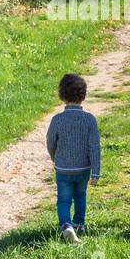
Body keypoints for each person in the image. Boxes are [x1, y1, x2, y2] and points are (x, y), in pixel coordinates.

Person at [45, 73, 101, 243]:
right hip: (83, 168)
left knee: (63, 199)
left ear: (61, 94)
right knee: (80, 196)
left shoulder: (57, 120)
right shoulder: (90, 120)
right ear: (83, 95)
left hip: (63, 168)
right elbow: (94, 147)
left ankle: (65, 226)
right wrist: (96, 172)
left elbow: (50, 142)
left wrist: (55, 157)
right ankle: (79, 224)